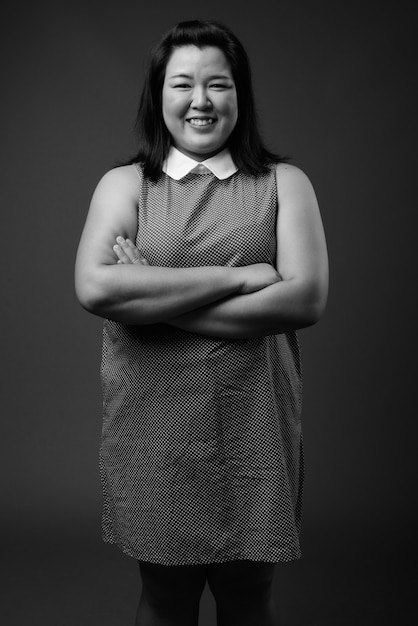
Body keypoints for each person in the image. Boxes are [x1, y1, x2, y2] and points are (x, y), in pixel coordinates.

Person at [75, 19, 328, 626]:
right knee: (165, 597)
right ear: (157, 94)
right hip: (154, 425)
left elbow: (306, 300)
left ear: (239, 94)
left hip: (253, 425)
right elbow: (95, 287)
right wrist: (242, 275)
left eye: (219, 84)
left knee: (247, 597)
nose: (201, 101)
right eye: (182, 84)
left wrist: (153, 292)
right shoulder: (125, 186)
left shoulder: (284, 184)